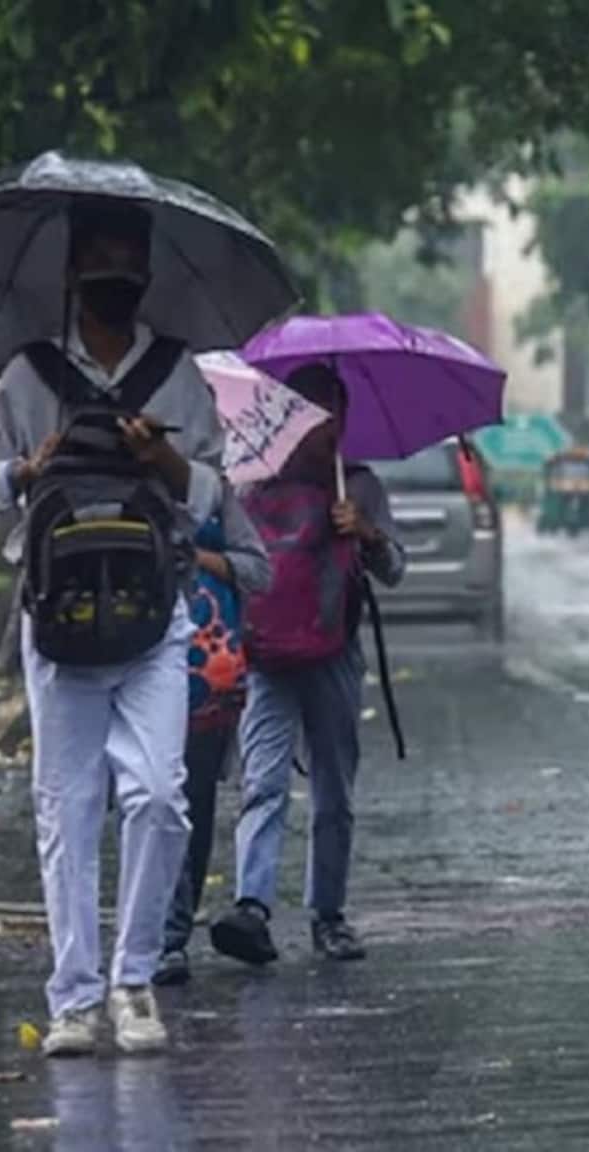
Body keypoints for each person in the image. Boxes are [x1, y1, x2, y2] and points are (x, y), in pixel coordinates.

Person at [0, 197, 227, 1056]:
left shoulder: (179, 376)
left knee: (159, 796)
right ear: (74, 272)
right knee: (68, 812)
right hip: (57, 621)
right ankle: (75, 998)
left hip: (155, 618)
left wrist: (166, 460)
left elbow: (217, 492)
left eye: (131, 266)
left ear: (146, 274)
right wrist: (25, 468)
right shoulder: (26, 376)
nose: (120, 279)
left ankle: (133, 980)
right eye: (104, 264)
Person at [211, 364, 406, 966]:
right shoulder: (248, 482)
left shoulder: (361, 486)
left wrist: (367, 533)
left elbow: (394, 570)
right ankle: (252, 907)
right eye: (310, 410)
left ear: (345, 419)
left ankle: (329, 913)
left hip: (333, 652)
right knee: (263, 782)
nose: (321, 425)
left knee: (333, 791)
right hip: (266, 654)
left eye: (331, 412)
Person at [153, 481, 271, 987]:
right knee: (148, 796)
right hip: (129, 659)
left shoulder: (212, 490)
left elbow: (258, 571)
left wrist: (199, 558)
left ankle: (172, 932)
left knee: (194, 800)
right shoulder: (108, 483)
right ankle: (156, 935)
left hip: (207, 673)